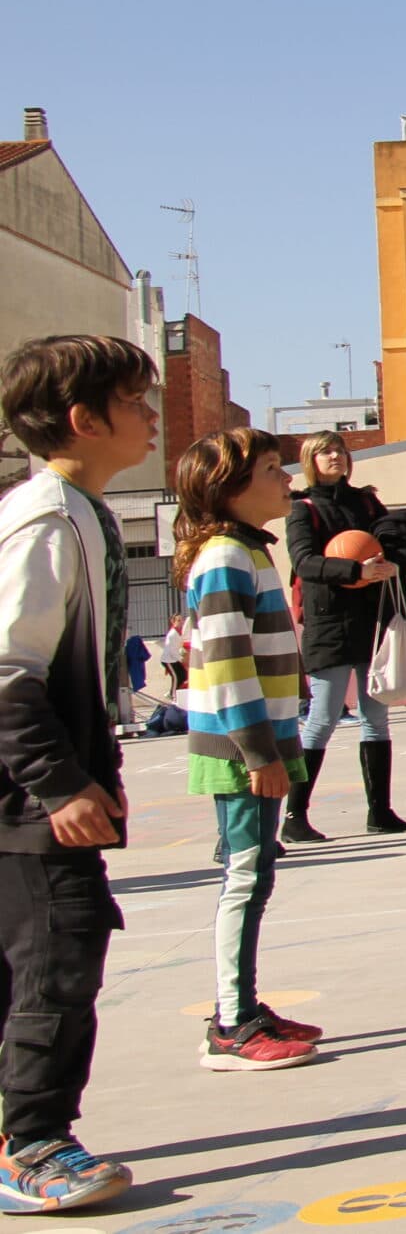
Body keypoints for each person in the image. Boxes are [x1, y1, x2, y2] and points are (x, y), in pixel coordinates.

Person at [0, 335, 156, 1209]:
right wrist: (57, 783)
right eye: (135, 401)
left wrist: (98, 765)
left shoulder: (81, 512)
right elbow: (7, 670)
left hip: (37, 776)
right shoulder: (45, 519)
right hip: (23, 790)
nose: (150, 414)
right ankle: (32, 1143)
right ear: (83, 419)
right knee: (60, 955)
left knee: (29, 957)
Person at [173, 428, 324, 1068]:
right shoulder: (224, 560)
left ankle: (244, 1005)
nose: (286, 478)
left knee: (256, 872)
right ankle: (232, 1023)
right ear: (229, 488)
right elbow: (227, 665)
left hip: (263, 740)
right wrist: (259, 753)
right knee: (244, 876)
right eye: (271, 468)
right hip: (242, 748)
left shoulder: (248, 552)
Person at [280, 431, 406, 840]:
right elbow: (304, 562)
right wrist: (356, 572)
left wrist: (393, 564)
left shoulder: (367, 501)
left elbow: (391, 543)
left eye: (339, 450)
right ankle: (294, 816)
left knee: (377, 717)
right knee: (322, 717)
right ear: (310, 460)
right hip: (329, 624)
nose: (334, 456)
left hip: (371, 620)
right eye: (325, 452)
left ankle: (380, 811)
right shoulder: (302, 508)